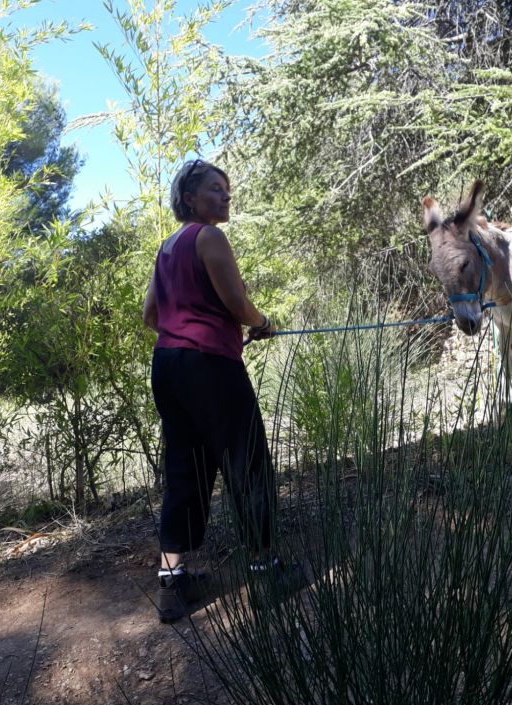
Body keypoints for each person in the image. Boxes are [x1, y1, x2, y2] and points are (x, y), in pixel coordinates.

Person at [142, 159, 304, 623]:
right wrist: (262, 324)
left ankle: (173, 586)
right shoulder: (208, 237)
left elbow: (150, 316)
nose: (225, 197)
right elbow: (236, 301)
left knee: (184, 468)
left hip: (168, 365)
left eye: (227, 190)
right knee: (245, 461)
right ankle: (266, 572)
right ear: (189, 198)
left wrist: (186, 326)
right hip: (210, 365)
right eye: (215, 189)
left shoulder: (167, 248)